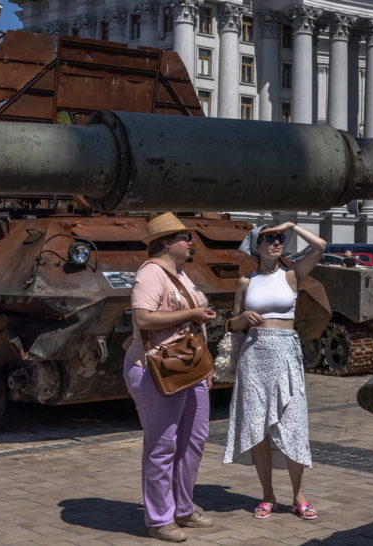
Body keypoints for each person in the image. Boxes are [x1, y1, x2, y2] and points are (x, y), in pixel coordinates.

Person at [123, 212, 217, 542]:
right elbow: (144, 318)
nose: (191, 243)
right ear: (167, 243)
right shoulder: (150, 274)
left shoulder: (180, 272)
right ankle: (159, 519)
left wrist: (206, 367)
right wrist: (191, 313)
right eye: (185, 238)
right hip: (155, 370)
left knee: (193, 441)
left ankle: (183, 507)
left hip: (189, 367)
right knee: (162, 446)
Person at [223, 221, 326, 520]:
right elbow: (233, 325)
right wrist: (243, 317)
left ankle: (299, 495)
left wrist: (292, 225)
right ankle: (268, 495)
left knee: (293, 425)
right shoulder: (246, 281)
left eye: (280, 238)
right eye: (269, 239)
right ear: (256, 247)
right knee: (258, 429)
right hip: (254, 355)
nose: (276, 242)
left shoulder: (291, 274)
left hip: (285, 353)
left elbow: (320, 247)